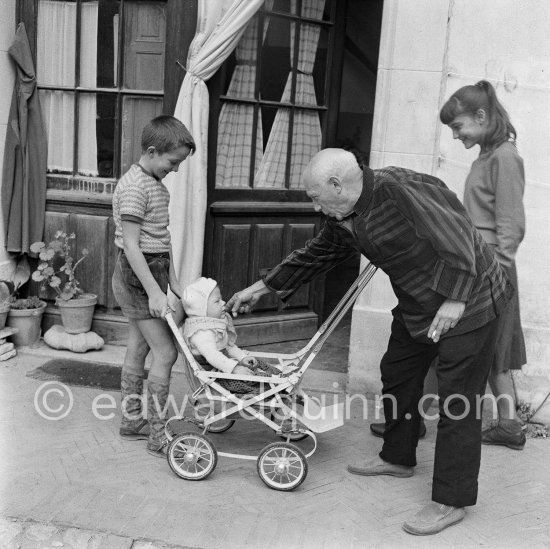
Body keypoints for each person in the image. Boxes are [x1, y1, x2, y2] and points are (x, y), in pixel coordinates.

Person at [227, 148, 512, 536]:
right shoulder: (345, 215)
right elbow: (318, 253)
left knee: (457, 401)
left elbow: (460, 233)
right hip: (420, 302)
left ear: (336, 185)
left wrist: (456, 298)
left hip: (472, 300)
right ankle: (398, 457)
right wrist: (261, 288)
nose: (314, 207)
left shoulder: (399, 190)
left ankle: (451, 500)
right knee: (398, 371)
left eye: (315, 197)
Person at [440, 80, 527, 450]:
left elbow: (511, 224)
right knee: (494, 350)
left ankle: (508, 425)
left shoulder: (505, 157)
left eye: (458, 127)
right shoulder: (488, 155)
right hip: (480, 263)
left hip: (491, 268)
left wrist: (494, 272)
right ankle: (509, 426)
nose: (456, 135)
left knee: (493, 348)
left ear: (480, 116)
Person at [111, 115, 195, 457]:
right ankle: (158, 434)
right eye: (172, 162)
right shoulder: (134, 187)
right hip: (137, 276)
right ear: (151, 151)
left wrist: (172, 281)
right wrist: (155, 291)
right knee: (166, 352)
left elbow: (163, 236)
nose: (175, 169)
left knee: (139, 345)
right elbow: (131, 246)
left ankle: (132, 421)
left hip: (153, 272)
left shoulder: (155, 185)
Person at [180, 277, 279, 393]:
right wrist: (234, 368)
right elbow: (212, 355)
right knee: (246, 383)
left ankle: (276, 376)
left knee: (255, 364)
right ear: (201, 309)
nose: (223, 303)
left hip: (223, 367)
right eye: (217, 301)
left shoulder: (213, 325)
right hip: (213, 375)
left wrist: (242, 357)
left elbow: (228, 346)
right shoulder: (201, 332)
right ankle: (267, 388)